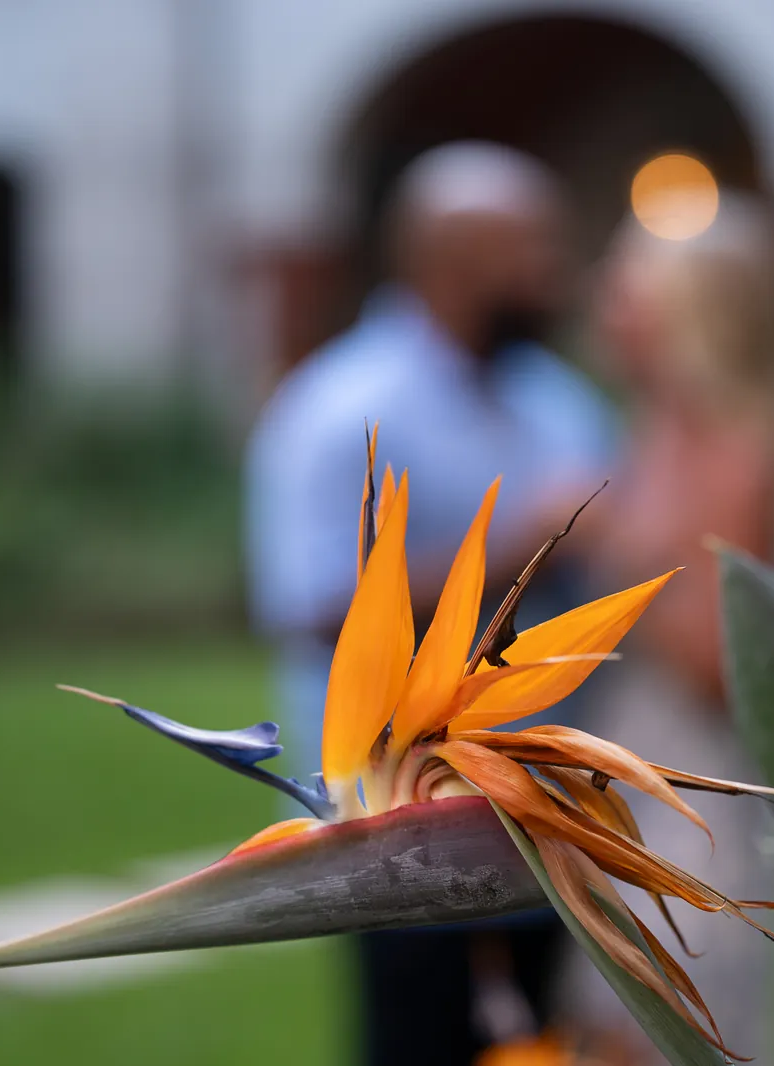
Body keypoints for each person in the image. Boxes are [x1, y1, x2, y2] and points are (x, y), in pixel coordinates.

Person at [244, 141, 618, 1066]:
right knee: (421, 1037)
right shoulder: (337, 410)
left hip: (554, 806)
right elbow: (313, 603)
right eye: (531, 250)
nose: (555, 274)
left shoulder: (561, 401)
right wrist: (512, 551)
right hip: (402, 816)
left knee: (544, 1041)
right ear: (452, 263)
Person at [559, 192, 774, 1065]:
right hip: (629, 777)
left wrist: (616, 547)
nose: (605, 302)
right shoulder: (653, 428)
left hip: (692, 799)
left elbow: (720, 666)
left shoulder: (736, 446)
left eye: (628, 286)